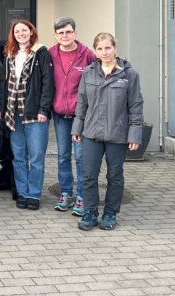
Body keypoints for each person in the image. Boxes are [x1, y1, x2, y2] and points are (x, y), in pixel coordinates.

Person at [72, 32, 143, 231]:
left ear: (115, 48)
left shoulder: (129, 74)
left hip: (117, 135)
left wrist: (135, 133)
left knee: (115, 175)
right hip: (91, 133)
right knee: (88, 175)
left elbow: (136, 105)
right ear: (95, 50)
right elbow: (82, 102)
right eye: (100, 48)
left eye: (108, 48)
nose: (104, 52)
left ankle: (110, 212)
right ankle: (90, 212)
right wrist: (77, 127)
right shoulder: (88, 73)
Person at [0, 19, 54, 210]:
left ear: (31, 32)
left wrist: (43, 110)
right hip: (14, 114)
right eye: (17, 31)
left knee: (36, 157)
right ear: (13, 34)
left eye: (24, 30)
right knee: (19, 156)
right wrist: (2, 107)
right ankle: (22, 192)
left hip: (34, 114)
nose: (20, 33)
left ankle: (34, 194)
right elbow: (4, 82)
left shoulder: (41, 53)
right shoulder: (9, 54)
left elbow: (48, 84)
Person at [48, 16, 96, 216]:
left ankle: (82, 196)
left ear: (75, 33)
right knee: (63, 156)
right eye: (60, 33)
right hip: (60, 115)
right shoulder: (50, 54)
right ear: (56, 35)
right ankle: (66, 193)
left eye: (68, 32)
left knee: (80, 156)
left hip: (81, 116)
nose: (65, 36)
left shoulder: (87, 55)